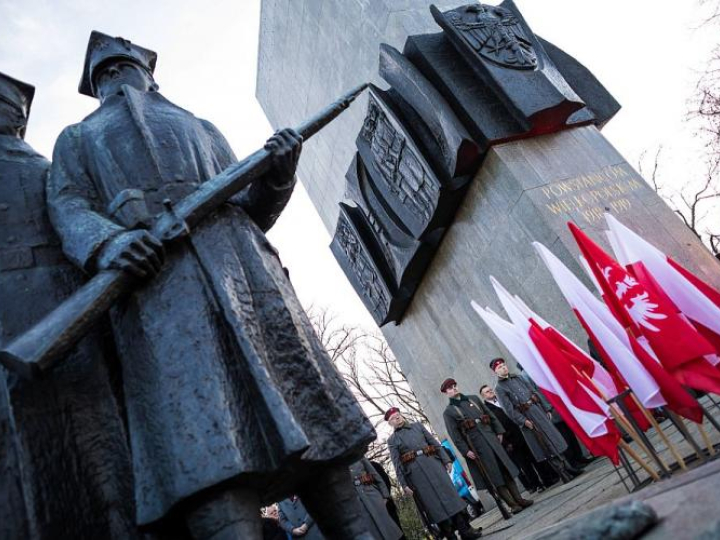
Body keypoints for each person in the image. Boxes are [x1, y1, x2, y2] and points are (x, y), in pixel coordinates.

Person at [46, 31, 375, 539]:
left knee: (311, 421)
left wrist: (278, 177)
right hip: (155, 292)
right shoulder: (76, 137)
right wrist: (108, 244)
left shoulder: (200, 126)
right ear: (93, 85)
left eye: (122, 67)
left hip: (246, 277)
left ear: (149, 71)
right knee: (203, 442)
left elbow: (251, 211)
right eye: (104, 73)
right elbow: (69, 204)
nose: (115, 77)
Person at [0, 72, 137, 539]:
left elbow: (85, 222)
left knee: (99, 437)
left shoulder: (52, 168)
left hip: (64, 305)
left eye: (11, 106)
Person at [386, 408, 482, 540]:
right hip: (417, 476)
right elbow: (397, 464)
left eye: (398, 415)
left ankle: (465, 530)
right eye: (393, 418)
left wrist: (446, 461)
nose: (397, 418)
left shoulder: (417, 426)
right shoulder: (392, 440)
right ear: (390, 423)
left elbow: (434, 444)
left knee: (452, 497)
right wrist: (404, 484)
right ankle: (450, 536)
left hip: (434, 465)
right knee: (434, 507)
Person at [441, 378, 532, 514]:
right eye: (450, 388)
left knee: (505, 469)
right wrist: (466, 451)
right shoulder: (449, 412)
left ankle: (519, 499)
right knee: (495, 476)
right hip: (477, 446)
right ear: (445, 393)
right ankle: (512, 505)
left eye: (455, 386)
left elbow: (489, 415)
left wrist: (499, 431)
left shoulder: (473, 399)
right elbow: (455, 435)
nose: (453, 389)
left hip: (491, 438)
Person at [491, 359, 582, 482]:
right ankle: (563, 473)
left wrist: (546, 408)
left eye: (503, 365)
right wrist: (523, 421)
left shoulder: (517, 378)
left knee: (553, 439)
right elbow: (509, 410)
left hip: (537, 410)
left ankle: (568, 467)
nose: (503, 368)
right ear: (495, 372)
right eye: (500, 367)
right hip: (527, 417)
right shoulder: (499, 388)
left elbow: (534, 392)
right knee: (544, 445)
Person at [479, 384, 546, 493]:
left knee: (534, 457)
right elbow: (493, 428)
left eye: (490, 389)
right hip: (509, 441)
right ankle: (536, 484)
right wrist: (505, 442)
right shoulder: (486, 410)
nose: (490, 391)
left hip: (520, 433)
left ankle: (546, 479)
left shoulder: (501, 400)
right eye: (487, 392)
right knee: (524, 465)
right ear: (483, 396)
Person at [349, 458, 403, 540]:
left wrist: (385, 496)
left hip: (372, 495)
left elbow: (375, 475)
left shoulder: (357, 455)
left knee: (390, 530)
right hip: (356, 503)